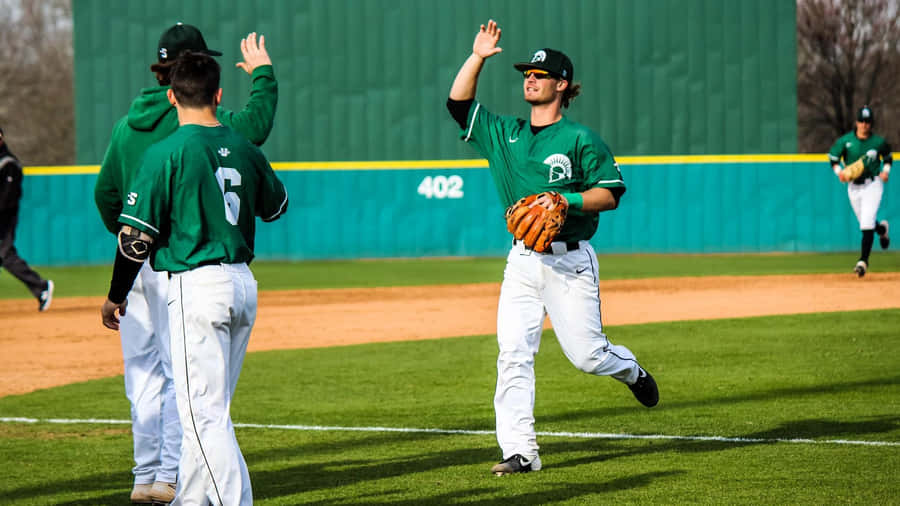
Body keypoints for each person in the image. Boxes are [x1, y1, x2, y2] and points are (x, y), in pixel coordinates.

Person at [446, 20, 659, 476]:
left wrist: (568, 199)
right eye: (527, 73)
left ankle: (631, 371)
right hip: (522, 261)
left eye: (540, 75)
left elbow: (610, 193)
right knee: (513, 353)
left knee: (588, 356)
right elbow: (457, 103)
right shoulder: (505, 133)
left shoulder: (580, 139)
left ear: (561, 85)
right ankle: (521, 451)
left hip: (571, 263)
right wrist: (478, 55)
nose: (530, 78)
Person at [93, 23, 278, 504]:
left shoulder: (156, 146)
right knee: (207, 406)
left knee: (196, 408)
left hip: (187, 279)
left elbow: (128, 228)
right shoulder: (239, 140)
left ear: (173, 93)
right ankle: (187, 497)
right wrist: (264, 77)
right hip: (239, 279)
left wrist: (117, 291)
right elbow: (275, 204)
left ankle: (209, 494)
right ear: (215, 90)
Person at [829, 105, 892, 278]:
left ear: (871, 123)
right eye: (862, 121)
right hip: (853, 187)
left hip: (873, 184)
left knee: (866, 223)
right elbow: (833, 159)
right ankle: (882, 230)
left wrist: (885, 171)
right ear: (856, 122)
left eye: (868, 121)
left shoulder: (878, 142)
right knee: (868, 225)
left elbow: (888, 158)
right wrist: (839, 172)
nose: (865, 124)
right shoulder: (846, 141)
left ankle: (863, 261)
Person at [0, 127, 54, 311]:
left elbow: (7, 200)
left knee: (5, 255)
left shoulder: (8, 164)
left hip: (4, 221)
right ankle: (40, 287)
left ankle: (41, 286)